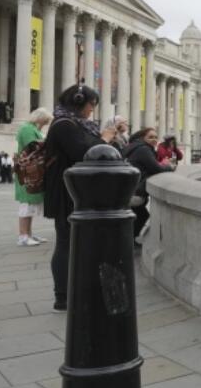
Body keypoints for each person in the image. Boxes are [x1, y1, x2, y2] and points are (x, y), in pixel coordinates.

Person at [44, 85, 115, 311]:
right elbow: (83, 153)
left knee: (75, 241)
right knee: (65, 242)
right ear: (79, 101)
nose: (92, 110)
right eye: (91, 104)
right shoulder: (64, 124)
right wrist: (104, 138)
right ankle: (62, 295)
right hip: (66, 191)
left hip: (77, 190)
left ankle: (77, 288)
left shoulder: (75, 123)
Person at [123, 126, 171, 243]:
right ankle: (127, 242)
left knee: (140, 216)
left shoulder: (135, 147)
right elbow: (157, 169)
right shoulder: (143, 149)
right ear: (142, 138)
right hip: (135, 191)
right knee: (142, 217)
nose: (154, 139)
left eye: (156, 137)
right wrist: (167, 165)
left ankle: (129, 241)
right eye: (150, 137)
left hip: (128, 189)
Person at [16, 108, 52, 247]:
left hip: (32, 171)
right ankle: (23, 235)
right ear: (39, 118)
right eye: (44, 121)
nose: (44, 124)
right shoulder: (26, 129)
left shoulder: (31, 128)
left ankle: (28, 234)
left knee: (30, 205)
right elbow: (33, 147)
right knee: (26, 203)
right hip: (27, 172)